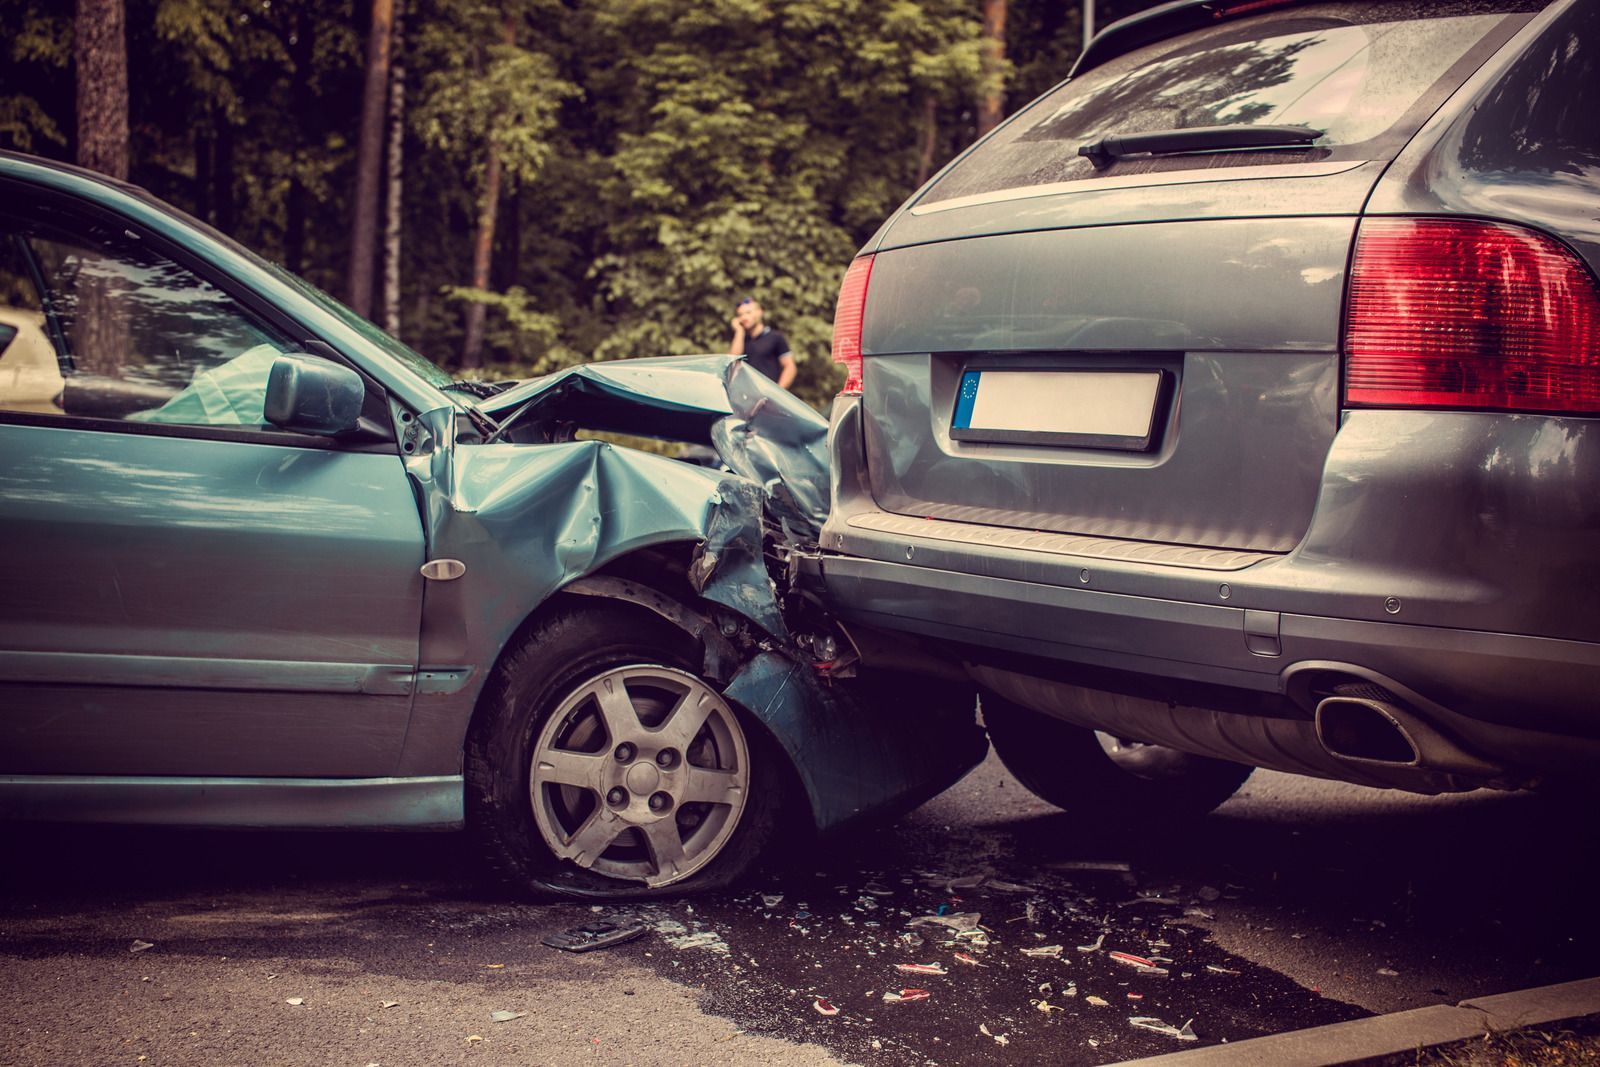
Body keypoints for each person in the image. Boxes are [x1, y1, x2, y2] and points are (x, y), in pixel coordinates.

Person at [728, 297, 796, 390]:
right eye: (740, 315)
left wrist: (778, 392)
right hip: (744, 397)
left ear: (760, 312)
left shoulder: (775, 337)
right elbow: (732, 362)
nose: (743, 317)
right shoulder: (739, 339)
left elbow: (790, 366)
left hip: (768, 397)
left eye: (748, 313)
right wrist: (739, 332)